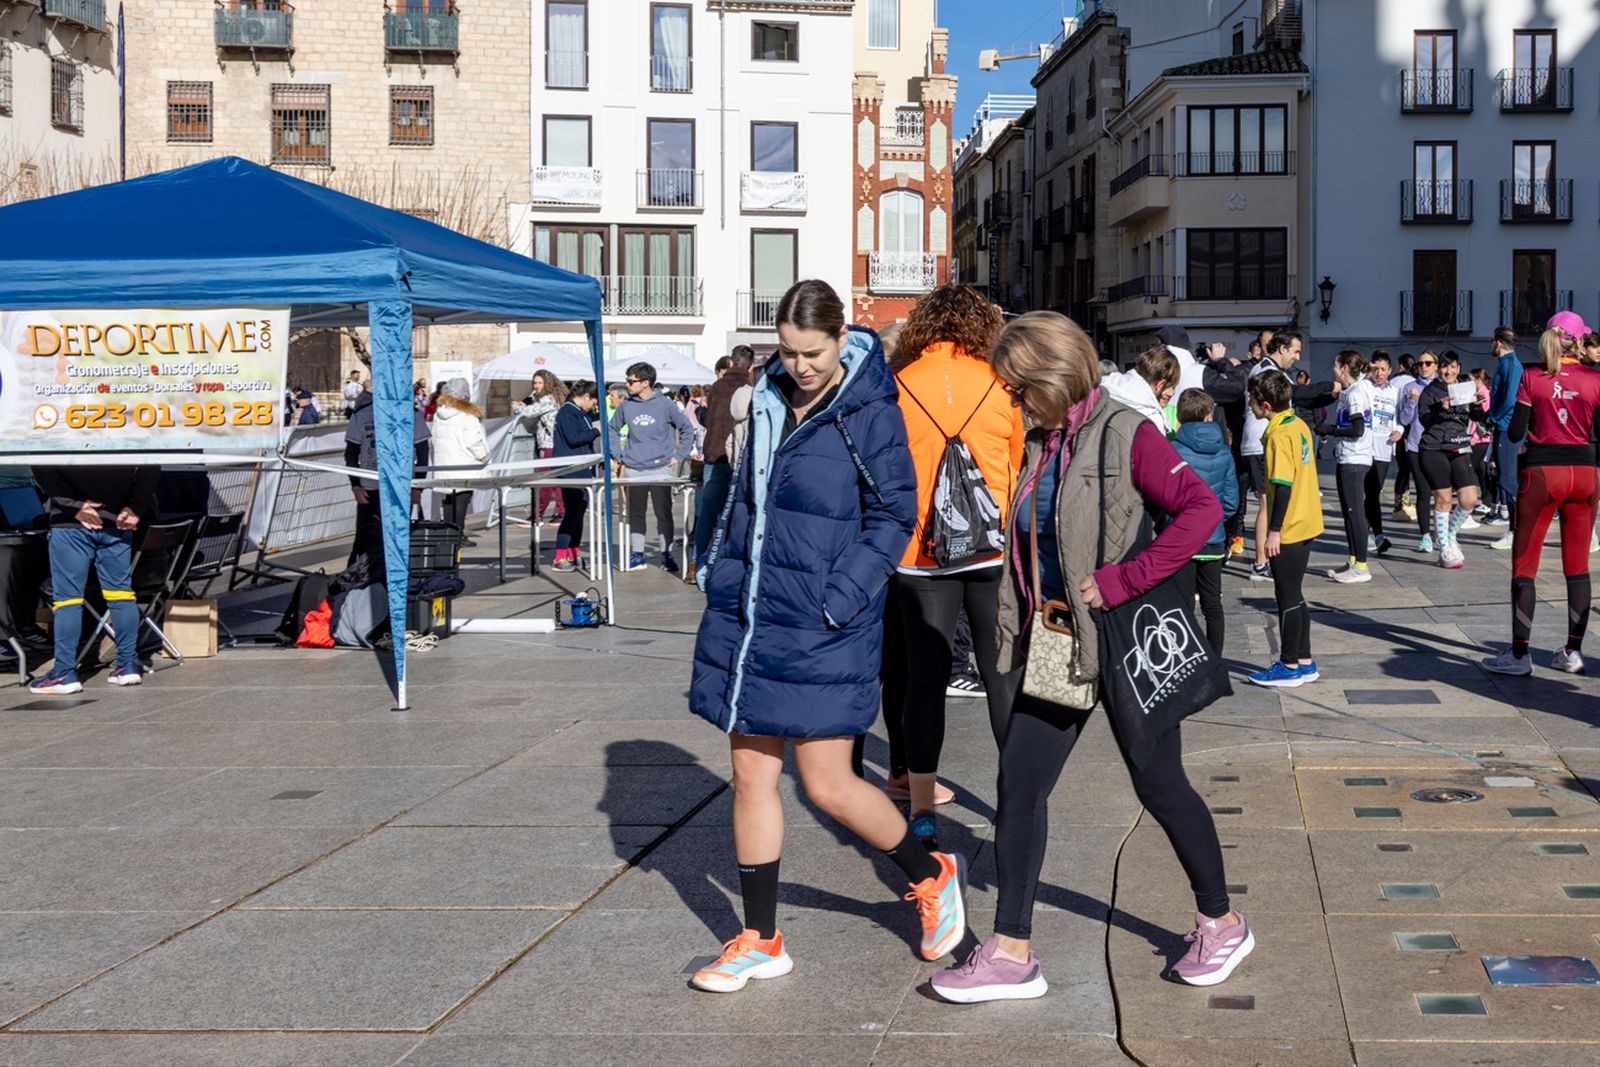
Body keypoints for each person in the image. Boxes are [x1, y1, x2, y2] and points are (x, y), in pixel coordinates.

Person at [930, 311, 1250, 1003]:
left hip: (1125, 638)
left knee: (1159, 784)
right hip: (1059, 642)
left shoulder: (1125, 431)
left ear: (1054, 375)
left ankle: (1222, 922)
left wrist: (1123, 579)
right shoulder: (1044, 440)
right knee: (1020, 784)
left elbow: (1200, 510)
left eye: (1019, 387)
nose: (1013, 399)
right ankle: (1011, 951)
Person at [687, 279, 966, 994]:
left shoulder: (869, 410)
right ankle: (760, 939)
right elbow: (743, 498)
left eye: (812, 352)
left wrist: (841, 597)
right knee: (751, 775)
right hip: (752, 613)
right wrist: (719, 570)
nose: (800, 365)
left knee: (829, 783)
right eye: (788, 351)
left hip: (824, 620)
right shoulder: (767, 398)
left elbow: (895, 515)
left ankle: (931, 875)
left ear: (842, 338)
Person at [888, 284, 1025, 848]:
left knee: (925, 679)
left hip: (918, 552)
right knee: (999, 672)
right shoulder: (1002, 384)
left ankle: (921, 808)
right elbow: (1015, 461)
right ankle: (1016, 799)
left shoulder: (897, 384)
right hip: (991, 546)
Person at [1482, 320, 1600, 676]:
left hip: (1543, 472)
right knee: (1578, 566)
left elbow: (1516, 431)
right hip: (1585, 472)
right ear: (1577, 341)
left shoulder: (1532, 377)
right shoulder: (1595, 378)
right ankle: (1573, 653)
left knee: (1525, 565)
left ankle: (1520, 655)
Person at [28, 465, 161, 694]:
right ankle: (127, 664)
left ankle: (63, 672)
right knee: (122, 595)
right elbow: (151, 464)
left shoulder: (57, 439)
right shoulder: (130, 440)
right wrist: (135, 506)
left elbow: (41, 463)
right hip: (118, 520)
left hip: (69, 524)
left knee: (68, 600)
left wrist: (74, 505)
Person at [1247, 371, 1324, 688]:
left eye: (1252, 401)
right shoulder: (1298, 424)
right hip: (1307, 519)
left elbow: (1282, 485)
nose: (1249, 405)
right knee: (1296, 594)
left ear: (1265, 405)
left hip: (1290, 524)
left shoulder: (1279, 435)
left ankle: (1289, 664)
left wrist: (1274, 531)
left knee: (1287, 596)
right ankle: (1304, 660)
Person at [1240, 332, 1336, 581]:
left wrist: (1329, 397)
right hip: (1261, 443)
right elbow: (1296, 393)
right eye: (1295, 351)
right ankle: (1261, 562)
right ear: (1281, 349)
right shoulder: (1266, 370)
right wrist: (1329, 386)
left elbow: (1298, 400)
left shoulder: (1279, 372)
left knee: (1271, 499)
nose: (1297, 357)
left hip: (1272, 439)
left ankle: (1268, 554)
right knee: (1266, 502)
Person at [609, 361, 695, 573]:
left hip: (660, 469)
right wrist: (618, 455)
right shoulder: (626, 405)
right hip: (633, 468)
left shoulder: (666, 405)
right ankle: (637, 554)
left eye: (631, 381)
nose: (627, 384)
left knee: (663, 512)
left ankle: (666, 554)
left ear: (646, 383)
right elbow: (612, 429)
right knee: (635, 513)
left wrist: (678, 456)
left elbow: (687, 429)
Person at [1171, 389, 1238, 651]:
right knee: (1213, 605)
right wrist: (1216, 520)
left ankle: (1188, 658)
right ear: (1210, 415)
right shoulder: (1224, 451)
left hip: (1182, 539)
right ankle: (1215, 660)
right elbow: (1231, 501)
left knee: (1183, 605)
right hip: (1213, 539)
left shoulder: (1173, 450)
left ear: (1180, 416)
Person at [344, 379, 431, 567]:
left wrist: (417, 487)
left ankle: (394, 575)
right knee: (366, 540)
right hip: (369, 489)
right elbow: (351, 453)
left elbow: (423, 453)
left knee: (397, 538)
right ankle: (361, 576)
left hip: (401, 487)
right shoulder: (362, 415)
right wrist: (355, 486)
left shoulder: (412, 415)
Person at [1416, 352, 1485, 569]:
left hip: (1460, 447)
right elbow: (1424, 419)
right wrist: (1440, 407)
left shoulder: (1465, 388)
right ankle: (1445, 549)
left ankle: (1449, 534)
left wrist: (1477, 405)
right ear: (1439, 369)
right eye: (1444, 367)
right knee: (1444, 499)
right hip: (1434, 449)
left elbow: (1478, 419)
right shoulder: (1430, 391)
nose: (1448, 371)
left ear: (1458, 368)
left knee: (1469, 499)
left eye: (1453, 367)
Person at [1317, 351, 1376, 582]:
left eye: (1335, 365)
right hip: (1348, 457)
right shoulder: (1351, 391)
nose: (1333, 369)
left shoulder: (1357, 393)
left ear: (1344, 368)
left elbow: (1358, 429)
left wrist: (1330, 430)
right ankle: (1353, 560)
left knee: (1355, 512)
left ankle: (1361, 566)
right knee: (1349, 513)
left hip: (1355, 459)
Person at [696, 346, 754, 574]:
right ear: (750, 365)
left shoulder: (718, 386)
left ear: (731, 362)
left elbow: (708, 420)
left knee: (708, 512)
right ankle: (729, 564)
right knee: (737, 512)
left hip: (714, 454)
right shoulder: (750, 387)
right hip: (739, 457)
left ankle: (698, 563)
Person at [429, 378, 490, 535]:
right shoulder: (467, 415)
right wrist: (485, 457)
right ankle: (458, 535)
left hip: (445, 465)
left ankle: (449, 535)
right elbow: (474, 441)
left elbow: (434, 439)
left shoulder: (439, 414)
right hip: (465, 464)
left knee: (448, 500)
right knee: (462, 500)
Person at [552, 380, 601, 572]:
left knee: (579, 513)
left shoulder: (581, 413)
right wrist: (595, 431)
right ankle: (559, 556)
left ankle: (573, 552)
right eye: (594, 402)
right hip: (571, 469)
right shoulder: (567, 412)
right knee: (572, 513)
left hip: (583, 468)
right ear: (587, 396)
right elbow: (573, 438)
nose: (594, 407)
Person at [1396, 349, 1440, 550]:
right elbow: (1404, 420)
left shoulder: (1443, 386)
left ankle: (1443, 534)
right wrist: (1412, 401)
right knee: (1423, 491)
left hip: (1439, 445)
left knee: (1441, 493)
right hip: (1416, 445)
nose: (1424, 367)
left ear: (1436, 366)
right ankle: (1425, 536)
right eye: (1420, 363)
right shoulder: (1409, 387)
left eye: (1428, 363)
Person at [1486, 327, 1524, 547]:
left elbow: (1510, 399)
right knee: (1504, 477)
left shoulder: (1511, 364)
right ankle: (1515, 529)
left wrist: (1493, 417)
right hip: (1503, 425)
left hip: (1507, 426)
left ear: (1498, 342)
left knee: (1507, 479)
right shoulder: (1506, 363)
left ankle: (1518, 530)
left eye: (1492, 341)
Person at [515, 370, 566, 526]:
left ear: (547, 384)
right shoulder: (555, 398)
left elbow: (530, 412)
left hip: (548, 444)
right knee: (556, 480)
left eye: (539, 383)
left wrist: (517, 407)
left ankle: (537, 515)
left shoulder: (547, 399)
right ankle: (561, 512)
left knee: (544, 480)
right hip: (555, 444)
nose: (536, 386)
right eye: (535, 383)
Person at [1363, 351, 1400, 557]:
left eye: (1383, 369)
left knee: (1373, 493)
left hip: (1384, 449)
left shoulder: (1395, 392)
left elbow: (1400, 418)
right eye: (1375, 369)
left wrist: (1399, 431)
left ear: (1389, 371)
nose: (1379, 373)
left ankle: (1371, 534)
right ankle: (1375, 535)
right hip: (1365, 449)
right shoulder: (1365, 387)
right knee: (1369, 493)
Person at [1100, 344, 1180, 432]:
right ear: (1160, 385)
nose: (1172, 394)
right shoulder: (1152, 419)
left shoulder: (1104, 387)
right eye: (1170, 386)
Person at [1390, 354, 1419, 520]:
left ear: (1400, 366)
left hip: (1399, 431)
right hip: (1414, 431)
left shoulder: (1393, 383)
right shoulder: (1415, 384)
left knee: (1403, 470)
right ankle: (1407, 504)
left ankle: (1399, 505)